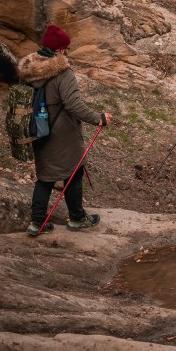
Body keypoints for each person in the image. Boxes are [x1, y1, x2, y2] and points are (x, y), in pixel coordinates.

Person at [17, 24, 113, 237]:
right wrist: (98, 118)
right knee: (74, 172)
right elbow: (74, 105)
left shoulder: (29, 69)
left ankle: (37, 222)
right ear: (60, 50)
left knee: (45, 176)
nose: (67, 52)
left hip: (36, 129)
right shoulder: (62, 72)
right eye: (66, 48)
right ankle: (77, 218)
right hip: (62, 134)